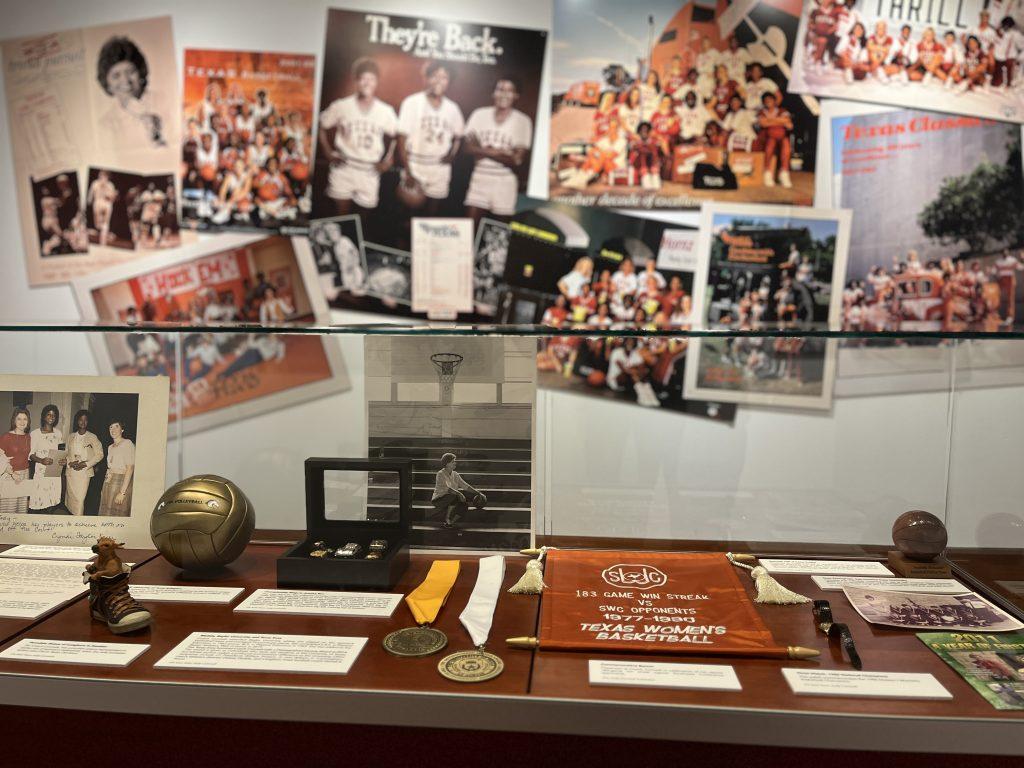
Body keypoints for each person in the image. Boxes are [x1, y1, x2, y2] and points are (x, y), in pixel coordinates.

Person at [319, 57, 398, 215]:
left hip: (370, 170)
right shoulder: (341, 106)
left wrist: (389, 159)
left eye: (372, 79)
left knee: (363, 221)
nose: (367, 83)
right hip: (344, 167)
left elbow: (398, 136)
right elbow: (321, 125)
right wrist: (327, 152)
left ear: (377, 82)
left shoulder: (385, 111)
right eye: (363, 78)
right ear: (356, 81)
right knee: (340, 218)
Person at [463, 76, 532, 228]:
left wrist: (482, 150)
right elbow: (466, 148)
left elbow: (517, 160)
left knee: (497, 237)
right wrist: (498, 152)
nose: (504, 94)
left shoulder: (523, 121)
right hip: (480, 178)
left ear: (516, 95)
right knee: (468, 232)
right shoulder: (479, 115)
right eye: (500, 89)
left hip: (505, 183)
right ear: (493, 93)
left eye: (509, 91)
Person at [397, 61, 465, 215]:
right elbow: (401, 139)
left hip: (439, 167)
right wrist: (408, 171)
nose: (439, 81)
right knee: (407, 212)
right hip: (415, 164)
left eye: (444, 77)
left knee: (431, 214)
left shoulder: (452, 108)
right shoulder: (412, 102)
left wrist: (452, 154)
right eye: (434, 76)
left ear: (449, 82)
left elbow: (458, 136)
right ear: (426, 78)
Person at [95, 36, 165, 148]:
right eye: (116, 76)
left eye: (131, 72)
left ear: (141, 72)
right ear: (107, 84)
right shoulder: (106, 124)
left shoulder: (164, 103)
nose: (126, 81)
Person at [431, 452, 486, 528]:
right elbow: (447, 489)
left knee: (464, 505)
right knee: (455, 496)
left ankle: (450, 523)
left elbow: (465, 486)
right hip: (439, 500)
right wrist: (459, 494)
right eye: (453, 462)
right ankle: (447, 518)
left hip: (452, 499)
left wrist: (478, 493)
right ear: (447, 464)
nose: (455, 463)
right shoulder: (440, 474)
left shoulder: (455, 474)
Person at [65, 409, 102, 516]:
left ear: (88, 422)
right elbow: (66, 453)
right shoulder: (70, 436)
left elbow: (100, 454)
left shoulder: (93, 437)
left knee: (80, 500)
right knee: (71, 499)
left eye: (85, 420)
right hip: (71, 473)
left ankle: (78, 521)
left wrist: (85, 464)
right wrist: (69, 463)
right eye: (80, 420)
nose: (83, 422)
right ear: (77, 421)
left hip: (84, 472)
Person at [28, 404, 64, 513]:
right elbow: (31, 455)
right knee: (39, 501)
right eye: (48, 414)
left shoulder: (58, 433)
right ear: (43, 416)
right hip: (41, 471)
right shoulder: (35, 434)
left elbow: (61, 451)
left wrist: (63, 460)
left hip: (54, 472)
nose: (51, 417)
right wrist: (41, 460)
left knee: (51, 502)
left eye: (54, 415)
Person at [757, 91, 793, 188]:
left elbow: (789, 124)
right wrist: (780, 121)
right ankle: (767, 172)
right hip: (766, 137)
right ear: (764, 102)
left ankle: (784, 172)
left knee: (786, 143)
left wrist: (770, 120)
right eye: (766, 100)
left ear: (774, 101)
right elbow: (763, 123)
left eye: (770, 100)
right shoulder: (762, 112)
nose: (768, 102)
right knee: (771, 141)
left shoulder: (782, 110)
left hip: (781, 137)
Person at [99, 421, 134, 517]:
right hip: (109, 482)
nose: (113, 429)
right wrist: (104, 487)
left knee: (117, 513)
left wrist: (122, 493)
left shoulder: (127, 443)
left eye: (116, 426)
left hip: (121, 482)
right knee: (106, 513)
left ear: (122, 429)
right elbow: (109, 468)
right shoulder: (110, 447)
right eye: (111, 427)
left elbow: (130, 468)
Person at [0, 408, 31, 514]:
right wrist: (12, 473)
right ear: (14, 420)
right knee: (9, 509)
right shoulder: (6, 437)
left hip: (25, 474)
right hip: (10, 475)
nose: (22, 422)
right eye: (19, 419)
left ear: (28, 421)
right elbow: (0, 458)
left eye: (25, 419)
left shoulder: (28, 437)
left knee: (21, 508)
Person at [88, 170, 118, 246]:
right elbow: (90, 196)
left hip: (103, 204)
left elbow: (112, 198)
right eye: (101, 175)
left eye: (104, 175)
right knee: (100, 225)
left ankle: (103, 241)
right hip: (102, 204)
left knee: (104, 224)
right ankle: (105, 236)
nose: (102, 177)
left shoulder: (108, 184)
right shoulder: (97, 183)